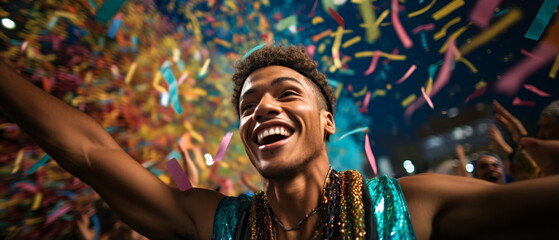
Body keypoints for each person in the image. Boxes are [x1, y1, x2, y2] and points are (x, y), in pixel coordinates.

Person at [1, 45, 558, 239]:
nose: (262, 108)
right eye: (247, 106)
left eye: (286, 94)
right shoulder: (213, 222)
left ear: (327, 121)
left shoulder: (412, 205)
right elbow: (91, 152)